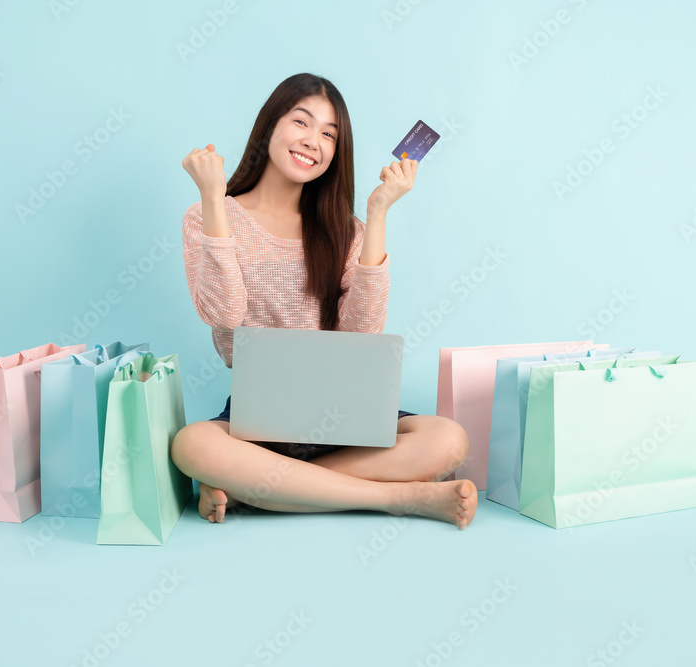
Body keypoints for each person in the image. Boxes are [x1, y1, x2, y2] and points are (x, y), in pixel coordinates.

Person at [171, 72, 476, 529]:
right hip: (259, 422)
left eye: (329, 134)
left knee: (447, 439)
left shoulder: (345, 231)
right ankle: (399, 497)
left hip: (343, 417)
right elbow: (223, 313)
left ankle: (257, 492)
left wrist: (376, 214)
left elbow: (362, 337)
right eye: (302, 122)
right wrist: (214, 197)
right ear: (270, 125)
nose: (313, 141)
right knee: (191, 444)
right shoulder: (208, 216)